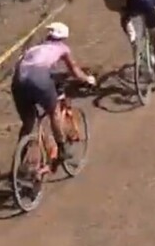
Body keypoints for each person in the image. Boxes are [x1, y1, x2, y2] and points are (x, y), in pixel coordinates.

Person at [10, 22, 95, 166]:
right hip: (39, 79)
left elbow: (23, 65)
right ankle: (62, 149)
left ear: (49, 35)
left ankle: (17, 163)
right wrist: (88, 80)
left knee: (28, 123)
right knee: (54, 112)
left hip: (18, 82)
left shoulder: (34, 48)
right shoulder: (62, 49)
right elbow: (74, 70)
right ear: (63, 38)